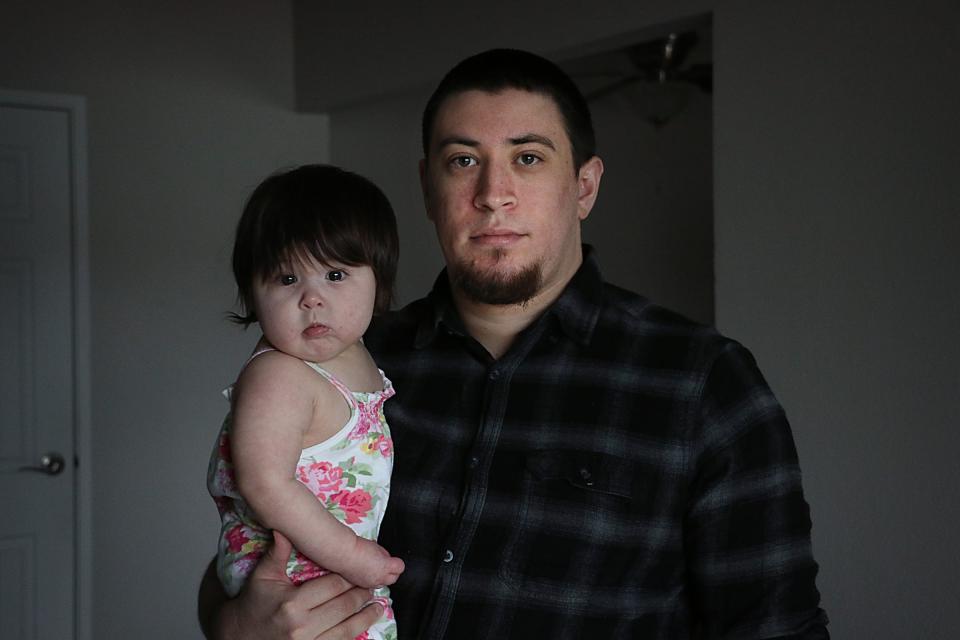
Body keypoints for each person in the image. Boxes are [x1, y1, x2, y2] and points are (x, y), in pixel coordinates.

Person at [200, 49, 828, 639]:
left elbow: (777, 626)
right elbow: (250, 550)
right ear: (428, 187)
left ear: (584, 187)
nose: (492, 194)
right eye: (463, 160)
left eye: (527, 158)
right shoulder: (348, 360)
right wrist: (234, 625)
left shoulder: (704, 383)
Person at [205, 165, 404, 639]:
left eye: (336, 274)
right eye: (286, 278)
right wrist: (352, 555)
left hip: (329, 574)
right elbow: (265, 483)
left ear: (378, 281)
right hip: (296, 575)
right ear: (252, 294)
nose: (312, 299)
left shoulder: (354, 353)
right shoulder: (279, 374)